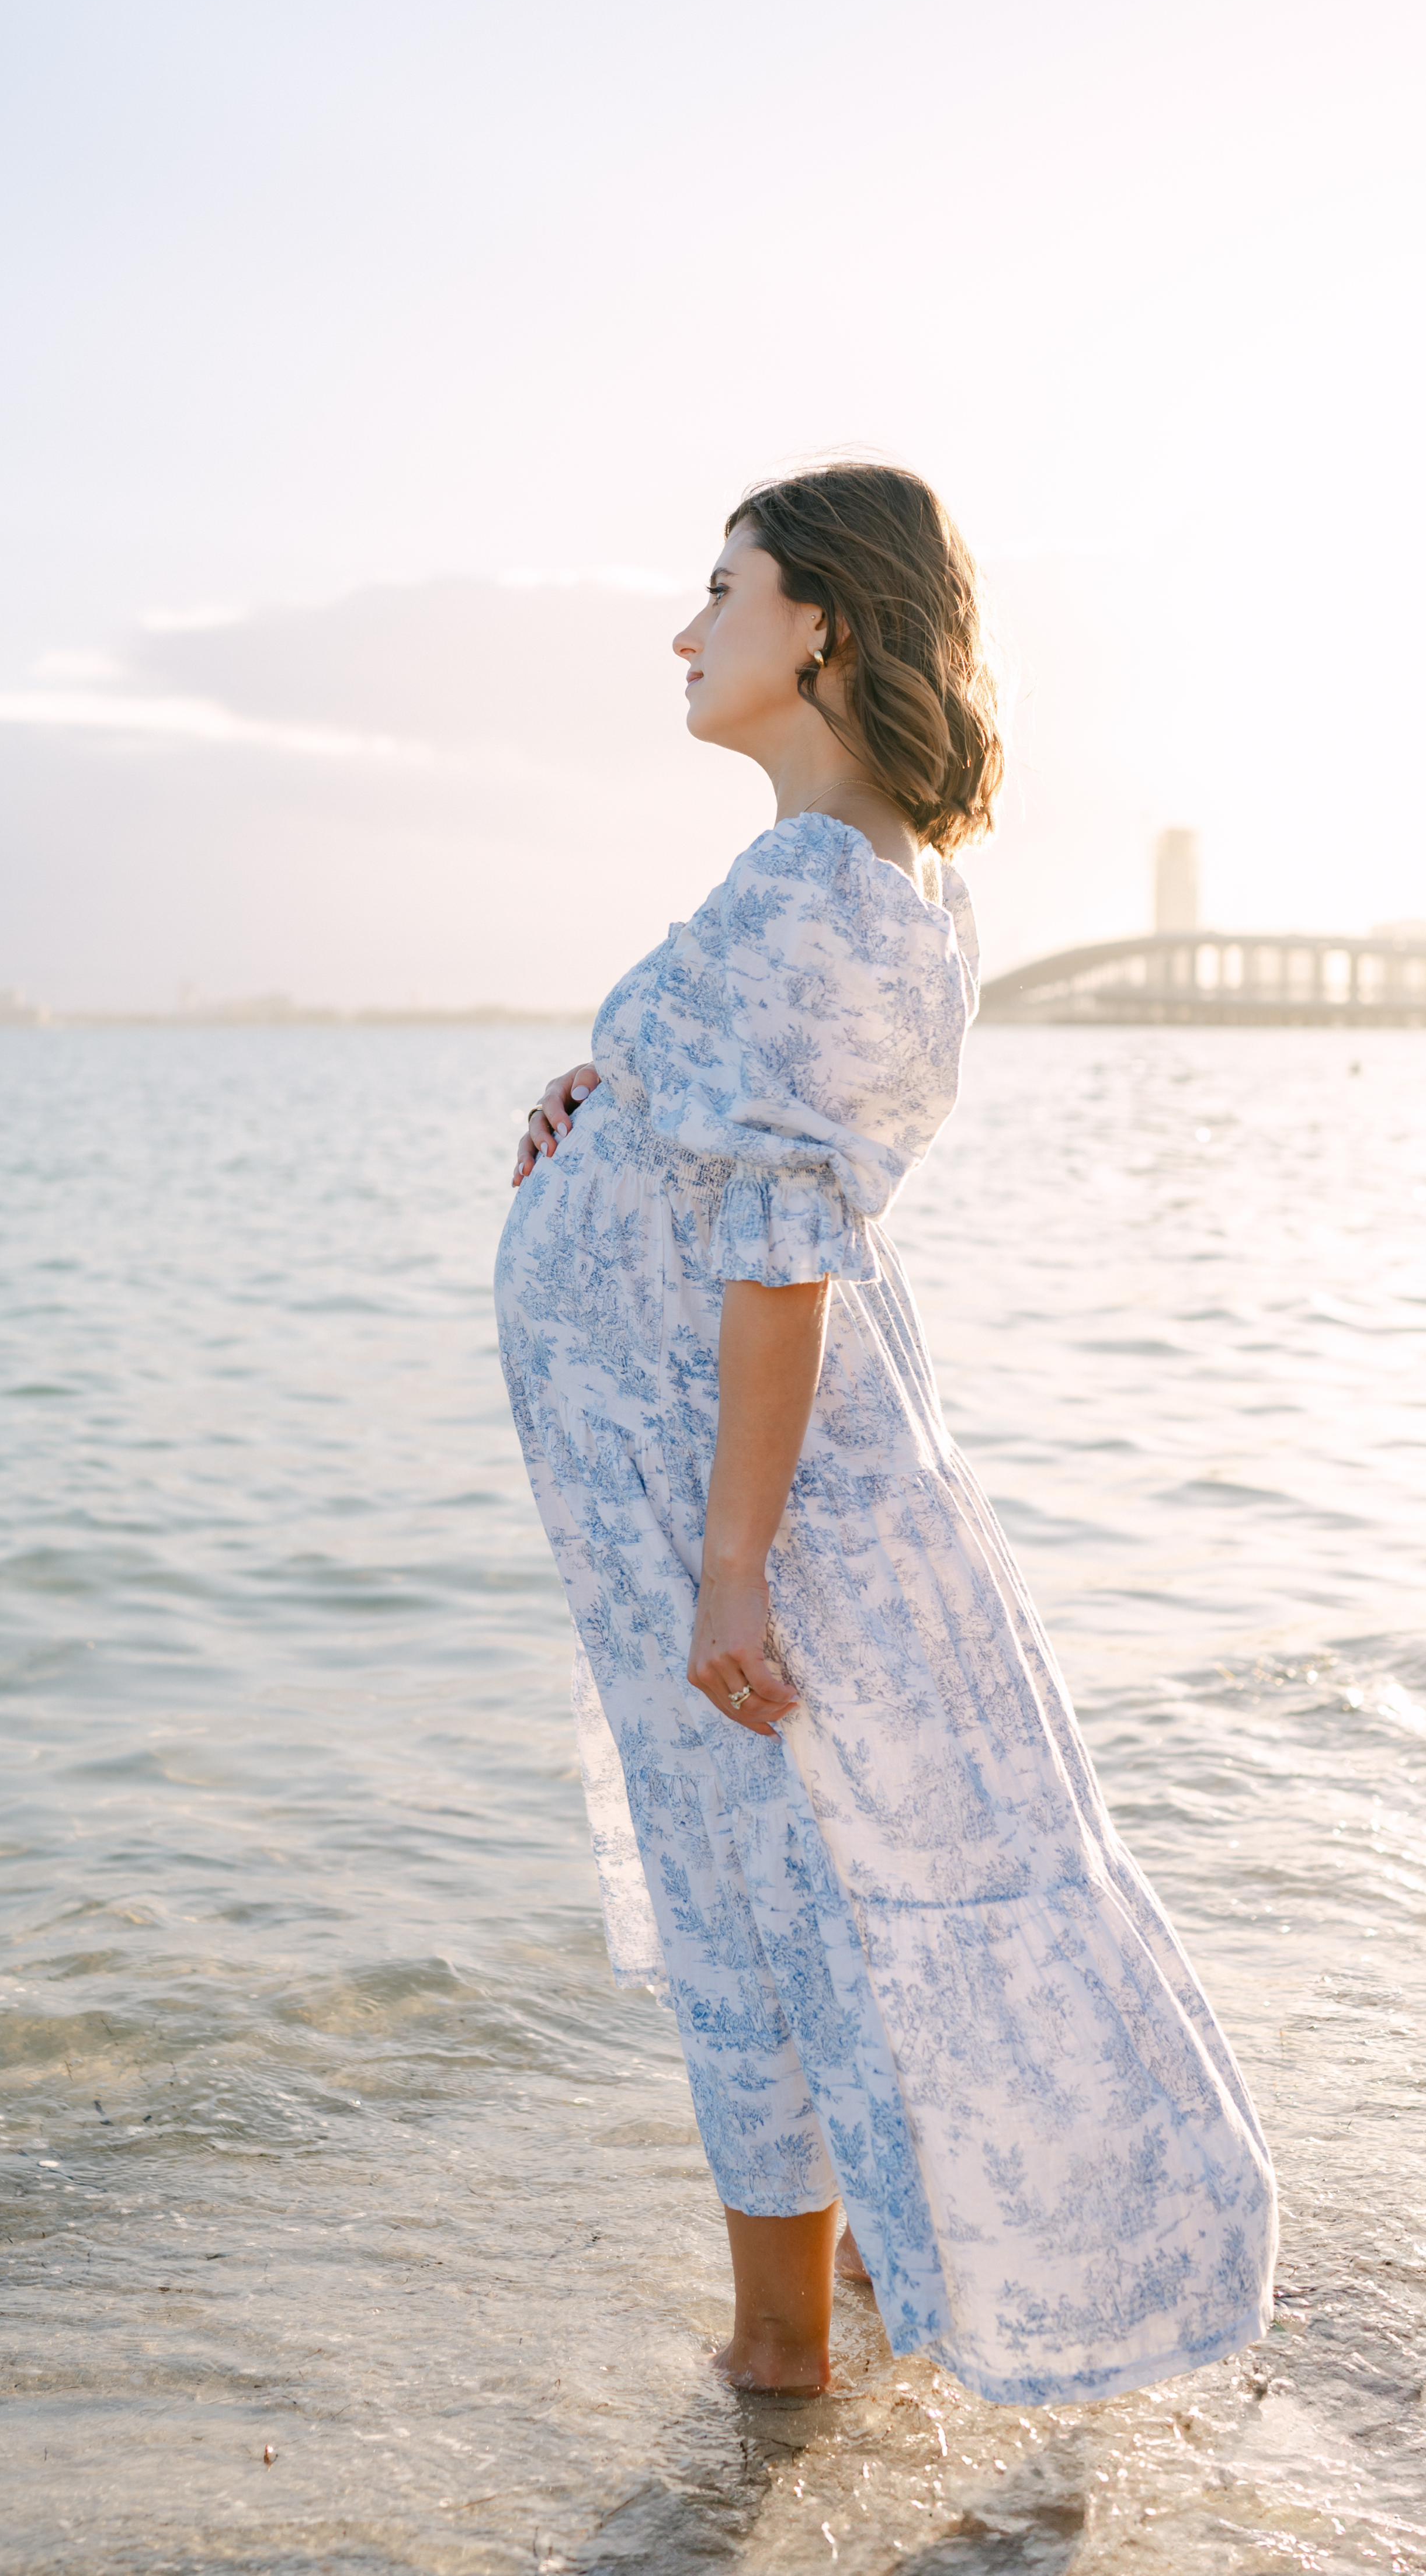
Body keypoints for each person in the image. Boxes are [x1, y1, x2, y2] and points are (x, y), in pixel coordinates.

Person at [494, 463, 1275, 2403]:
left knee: (765, 1901)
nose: (687, 632)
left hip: (739, 1497)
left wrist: (732, 1556)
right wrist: (605, 1104)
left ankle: (777, 2372)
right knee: (802, 1883)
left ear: (823, 621)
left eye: (723, 589)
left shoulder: (823, 886)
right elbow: (754, 1151)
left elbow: (785, 1252)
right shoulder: (850, 885)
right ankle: (847, 2312)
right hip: (712, 1486)